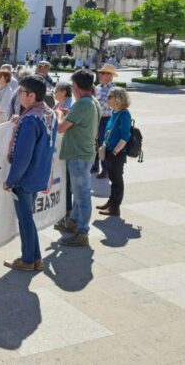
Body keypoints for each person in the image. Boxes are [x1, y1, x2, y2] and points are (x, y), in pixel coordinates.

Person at [3, 75, 57, 271]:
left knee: (25, 219)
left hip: (25, 178)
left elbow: (22, 156)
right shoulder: (49, 113)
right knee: (28, 217)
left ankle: (27, 260)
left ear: (31, 95)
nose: (19, 95)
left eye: (21, 92)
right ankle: (36, 258)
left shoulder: (31, 120)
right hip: (41, 174)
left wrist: (11, 180)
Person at [55, 69, 100, 247]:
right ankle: (73, 222)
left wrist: (59, 114)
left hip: (79, 154)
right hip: (84, 153)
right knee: (78, 193)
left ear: (76, 87)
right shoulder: (91, 101)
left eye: (73, 86)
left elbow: (61, 128)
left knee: (81, 195)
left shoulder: (82, 104)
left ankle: (82, 232)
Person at [97, 87, 132, 217]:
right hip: (110, 151)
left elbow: (125, 136)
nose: (108, 98)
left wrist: (116, 152)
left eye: (110, 96)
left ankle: (115, 207)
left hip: (117, 153)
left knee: (117, 180)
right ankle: (111, 202)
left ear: (118, 99)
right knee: (113, 178)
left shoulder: (124, 114)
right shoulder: (115, 112)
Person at [53, 81, 75, 231]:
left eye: (56, 90)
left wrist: (59, 115)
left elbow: (62, 127)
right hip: (60, 149)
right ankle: (65, 214)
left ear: (64, 91)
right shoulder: (59, 104)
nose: (54, 92)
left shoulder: (70, 105)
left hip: (67, 148)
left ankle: (68, 216)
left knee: (67, 184)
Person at [94, 63, 117, 179]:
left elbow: (105, 105)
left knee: (103, 144)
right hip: (97, 118)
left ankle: (105, 169)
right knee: (95, 142)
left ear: (110, 75)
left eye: (103, 73)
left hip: (107, 119)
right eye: (100, 73)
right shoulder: (98, 87)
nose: (100, 75)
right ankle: (95, 165)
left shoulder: (113, 89)